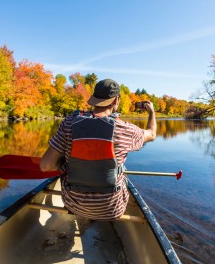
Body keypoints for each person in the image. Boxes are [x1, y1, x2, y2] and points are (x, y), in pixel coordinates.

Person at [40, 78, 156, 220]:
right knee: (121, 169)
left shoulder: (69, 122)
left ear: (94, 99)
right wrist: (151, 112)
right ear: (116, 100)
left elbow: (45, 165)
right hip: (112, 209)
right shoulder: (126, 129)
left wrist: (64, 165)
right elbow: (152, 134)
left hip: (73, 204)